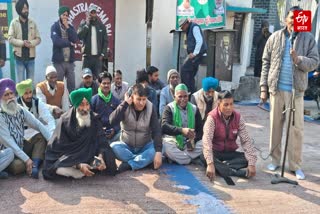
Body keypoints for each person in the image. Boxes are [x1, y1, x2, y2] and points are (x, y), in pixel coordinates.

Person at [260, 6, 319, 180]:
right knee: (275, 127)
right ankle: (275, 160)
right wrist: (263, 88)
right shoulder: (275, 37)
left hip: (297, 92)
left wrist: (298, 59)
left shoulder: (308, 38)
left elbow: (315, 62)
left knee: (296, 130)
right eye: (291, 17)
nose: (294, 20)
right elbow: (265, 62)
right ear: (285, 19)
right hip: (276, 90)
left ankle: (295, 165)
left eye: (298, 17)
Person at [42, 88, 117, 180]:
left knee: (108, 154)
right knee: (55, 167)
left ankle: (89, 167)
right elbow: (56, 150)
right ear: (75, 106)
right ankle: (80, 169)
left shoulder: (94, 118)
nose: (85, 109)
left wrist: (100, 157)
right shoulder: (65, 121)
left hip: (89, 157)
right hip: (71, 160)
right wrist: (78, 165)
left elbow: (102, 141)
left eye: (87, 104)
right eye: (81, 105)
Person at [202, 91, 257, 185]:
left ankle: (222, 167)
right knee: (203, 156)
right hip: (216, 152)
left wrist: (251, 164)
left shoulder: (238, 117)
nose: (229, 108)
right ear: (219, 104)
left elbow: (246, 140)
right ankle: (232, 171)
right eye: (226, 104)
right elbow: (207, 141)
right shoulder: (212, 118)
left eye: (231, 104)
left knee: (247, 158)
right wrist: (210, 164)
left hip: (230, 153)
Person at [0, 78, 51, 179]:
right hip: (6, 152)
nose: (10, 97)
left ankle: (34, 164)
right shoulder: (0, 115)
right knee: (18, 165)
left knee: (40, 137)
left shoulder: (20, 109)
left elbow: (37, 124)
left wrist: (52, 141)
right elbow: (8, 142)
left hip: (20, 146)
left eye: (11, 93)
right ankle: (30, 163)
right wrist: (27, 159)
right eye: (6, 95)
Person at [109, 84, 162, 173]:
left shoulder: (151, 107)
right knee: (113, 147)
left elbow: (156, 130)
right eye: (138, 99)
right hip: (127, 146)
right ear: (132, 97)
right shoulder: (125, 105)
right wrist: (125, 104)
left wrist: (158, 152)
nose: (141, 103)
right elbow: (112, 121)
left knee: (156, 150)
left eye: (144, 99)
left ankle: (130, 165)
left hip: (144, 146)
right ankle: (144, 162)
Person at [161, 83, 203, 165]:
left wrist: (193, 140)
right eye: (180, 96)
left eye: (185, 96)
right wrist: (181, 131)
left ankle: (180, 158)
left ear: (188, 96)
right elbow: (164, 126)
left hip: (190, 144)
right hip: (174, 141)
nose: (183, 99)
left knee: (205, 144)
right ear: (174, 96)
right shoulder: (169, 108)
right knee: (166, 147)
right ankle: (190, 159)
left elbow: (200, 130)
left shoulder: (194, 109)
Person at [8, 0, 41, 83]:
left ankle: (29, 96)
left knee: (30, 84)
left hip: (31, 59)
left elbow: (38, 39)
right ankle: (21, 96)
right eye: (24, 9)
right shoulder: (14, 23)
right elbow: (10, 38)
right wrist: (22, 43)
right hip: (19, 58)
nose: (26, 11)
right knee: (21, 84)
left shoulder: (32, 22)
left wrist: (31, 43)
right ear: (19, 10)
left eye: (27, 8)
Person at [51, 6, 78, 93]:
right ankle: (58, 105)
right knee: (58, 86)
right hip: (59, 62)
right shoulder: (54, 27)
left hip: (69, 61)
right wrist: (69, 43)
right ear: (60, 15)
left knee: (72, 85)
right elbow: (56, 41)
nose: (65, 17)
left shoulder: (70, 27)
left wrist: (67, 27)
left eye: (67, 15)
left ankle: (72, 105)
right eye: (63, 15)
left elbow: (74, 39)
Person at [77, 4, 108, 79]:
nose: (93, 14)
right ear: (88, 13)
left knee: (98, 79)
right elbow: (79, 36)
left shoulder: (101, 26)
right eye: (91, 12)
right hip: (87, 58)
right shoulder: (83, 23)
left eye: (94, 12)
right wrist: (87, 24)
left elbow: (105, 41)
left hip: (98, 58)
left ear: (96, 14)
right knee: (86, 79)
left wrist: (103, 54)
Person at [179, 18, 207, 94]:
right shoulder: (189, 29)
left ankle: (187, 91)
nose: (182, 29)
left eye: (182, 27)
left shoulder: (194, 27)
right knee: (190, 75)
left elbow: (199, 41)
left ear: (186, 24)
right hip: (195, 55)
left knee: (184, 70)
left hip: (197, 55)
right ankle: (191, 92)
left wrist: (194, 53)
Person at [91, 72, 121, 144]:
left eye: (108, 83)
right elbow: (90, 118)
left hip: (113, 136)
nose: (106, 85)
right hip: (97, 134)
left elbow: (120, 119)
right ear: (99, 84)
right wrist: (99, 130)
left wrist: (114, 130)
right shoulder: (93, 100)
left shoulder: (116, 101)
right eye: (104, 83)